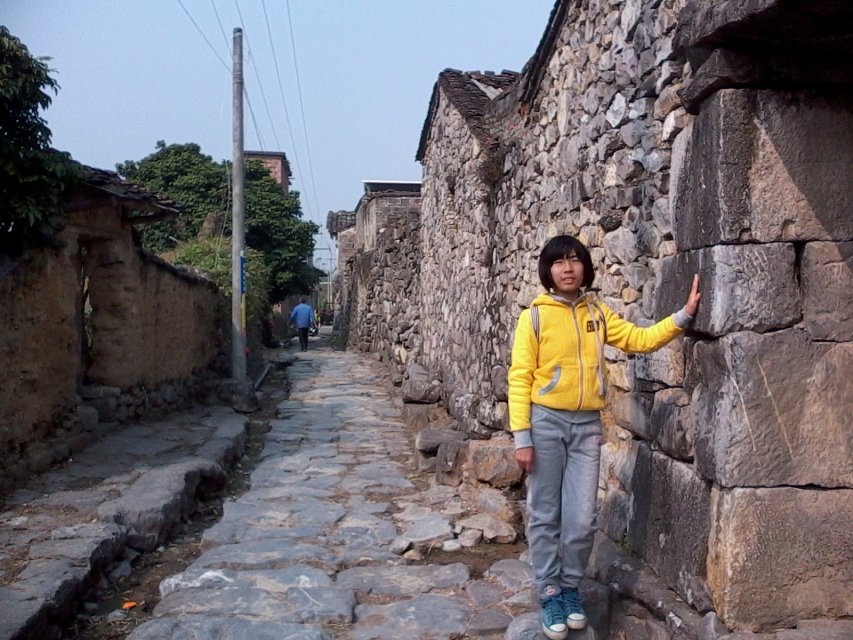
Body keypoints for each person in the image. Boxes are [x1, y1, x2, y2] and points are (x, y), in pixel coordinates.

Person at [508, 235, 700, 640]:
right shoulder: (535, 317)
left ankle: (570, 588)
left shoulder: (597, 313)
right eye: (559, 262)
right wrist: (521, 436)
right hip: (544, 424)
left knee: (580, 521)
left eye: (575, 260)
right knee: (545, 514)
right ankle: (548, 590)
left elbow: (639, 339)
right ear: (548, 270)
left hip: (585, 427)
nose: (567, 268)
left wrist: (682, 316)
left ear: (584, 267)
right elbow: (519, 377)